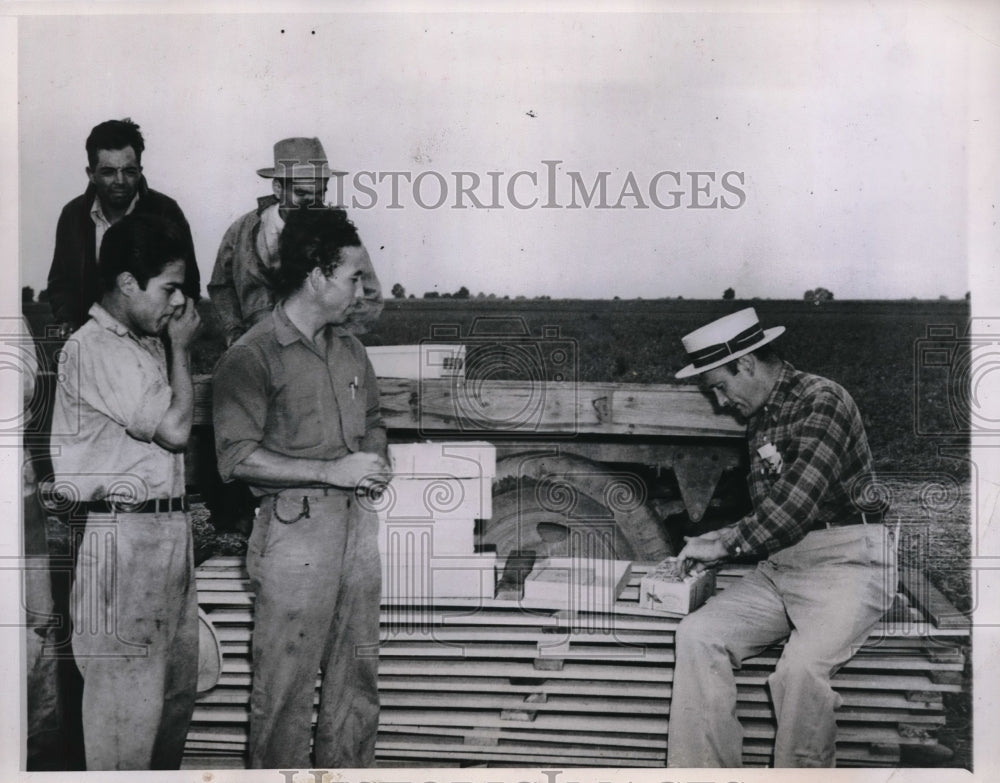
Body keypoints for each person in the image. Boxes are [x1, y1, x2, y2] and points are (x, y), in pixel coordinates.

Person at [666, 307, 897, 768]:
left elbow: (795, 506)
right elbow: (773, 517)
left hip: (848, 564)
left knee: (800, 671)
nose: (719, 402)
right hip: (783, 566)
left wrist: (725, 544)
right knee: (698, 635)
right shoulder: (761, 418)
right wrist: (721, 539)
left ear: (746, 363)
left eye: (720, 387)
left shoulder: (822, 400)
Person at [212, 206, 390, 768]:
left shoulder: (352, 350)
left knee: (355, 682)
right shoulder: (251, 355)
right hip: (295, 534)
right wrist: (329, 471)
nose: (363, 291)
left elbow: (377, 416)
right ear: (316, 274)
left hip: (357, 530)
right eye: (353, 278)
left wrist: (374, 458)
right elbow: (237, 459)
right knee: (284, 689)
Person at [49, 213, 201, 770]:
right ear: (127, 284)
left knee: (170, 707)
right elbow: (177, 431)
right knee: (124, 728)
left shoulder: (139, 343)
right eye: (169, 288)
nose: (180, 303)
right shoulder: (96, 348)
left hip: (163, 535)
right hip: (123, 541)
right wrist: (183, 349)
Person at [207, 136, 382, 347]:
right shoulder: (243, 230)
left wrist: (331, 341)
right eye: (301, 193)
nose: (311, 203)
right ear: (278, 188)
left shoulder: (339, 235)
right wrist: (235, 333)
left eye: (319, 195)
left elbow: (371, 299)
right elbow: (221, 287)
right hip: (257, 352)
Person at [46, 118, 200, 334]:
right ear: (91, 175)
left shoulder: (166, 211)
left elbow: (189, 282)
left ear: (140, 170)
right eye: (108, 171)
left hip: (154, 343)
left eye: (129, 171)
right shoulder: (72, 215)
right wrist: (68, 320)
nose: (120, 180)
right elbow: (60, 283)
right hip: (91, 340)